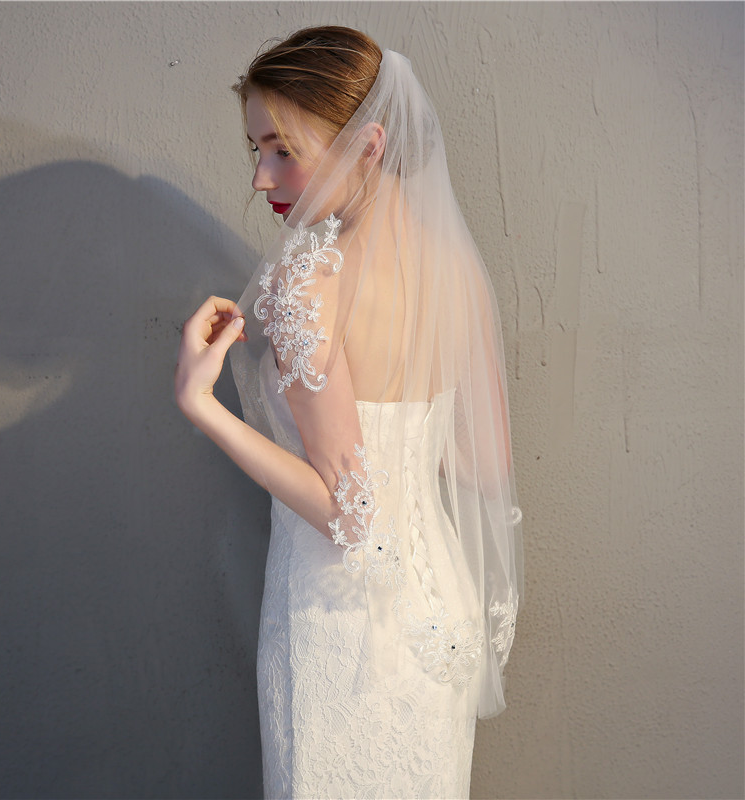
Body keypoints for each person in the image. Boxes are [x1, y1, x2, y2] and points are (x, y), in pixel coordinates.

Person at [175, 26, 522, 799]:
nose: (262, 178)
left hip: (338, 624)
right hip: (437, 626)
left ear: (367, 145)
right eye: (255, 151)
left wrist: (203, 404)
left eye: (283, 150)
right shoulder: (454, 268)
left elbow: (347, 514)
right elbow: (483, 464)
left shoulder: (309, 284)